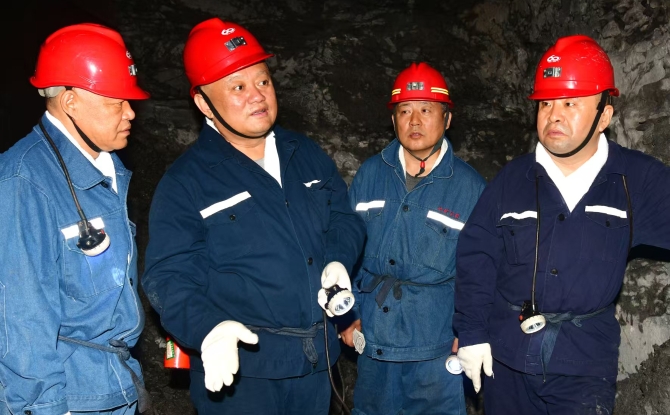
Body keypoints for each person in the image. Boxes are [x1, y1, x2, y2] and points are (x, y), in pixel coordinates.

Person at [141, 18, 365, 414]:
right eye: (238, 87)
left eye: (263, 81)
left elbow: (344, 219)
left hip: (315, 364)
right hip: (241, 373)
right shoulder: (187, 181)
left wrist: (337, 259)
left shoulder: (304, 154)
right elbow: (168, 275)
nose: (258, 96)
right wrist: (208, 329)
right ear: (204, 103)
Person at [454, 34, 670, 414]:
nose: (553, 115)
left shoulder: (635, 181)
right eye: (546, 103)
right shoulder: (512, 180)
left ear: (604, 116)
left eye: (570, 103)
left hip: (583, 367)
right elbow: (477, 257)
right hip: (507, 359)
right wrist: (471, 333)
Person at [0, 23, 150, 415]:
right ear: (70, 102)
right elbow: (20, 319)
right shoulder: (23, 182)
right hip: (68, 398)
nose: (130, 112)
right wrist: (48, 407)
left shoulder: (108, 168)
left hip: (113, 385)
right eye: (116, 102)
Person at [342, 62, 486, 415]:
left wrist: (470, 331)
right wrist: (348, 314)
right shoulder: (370, 174)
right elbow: (347, 250)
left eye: (426, 110)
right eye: (405, 111)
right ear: (393, 120)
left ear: (447, 119)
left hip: (435, 346)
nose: (415, 121)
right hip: (373, 337)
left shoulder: (470, 187)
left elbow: (481, 271)